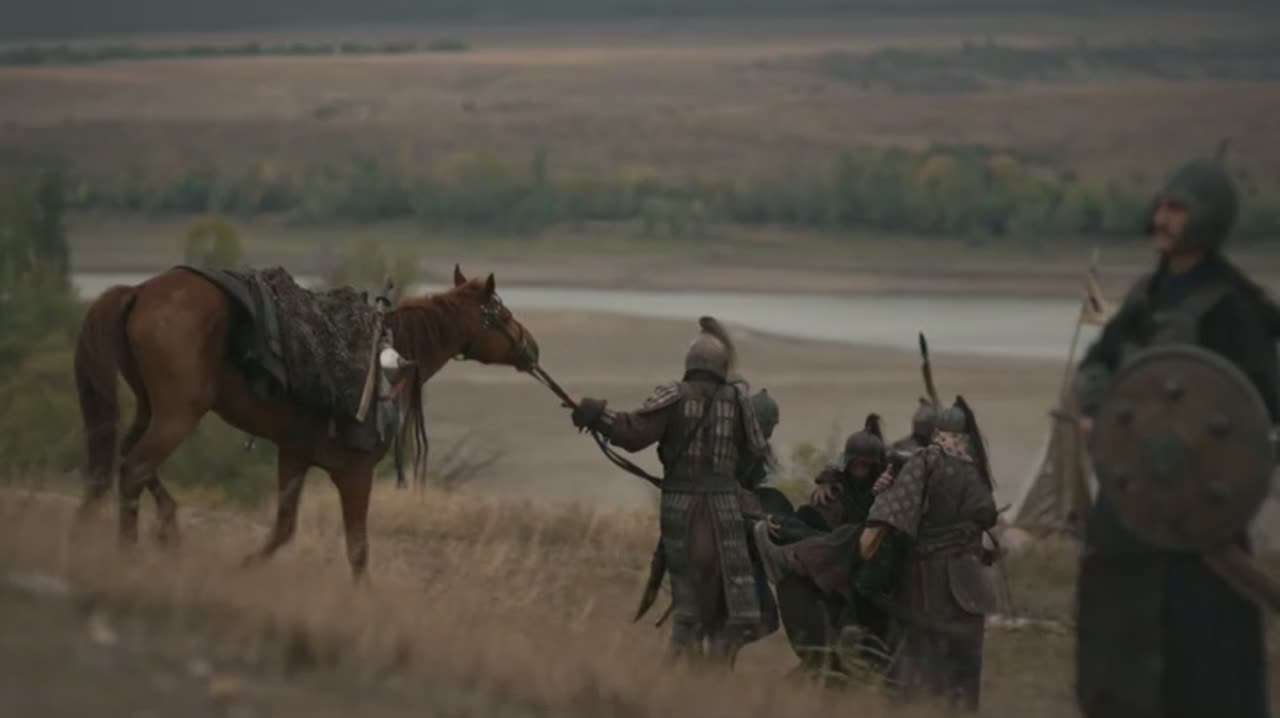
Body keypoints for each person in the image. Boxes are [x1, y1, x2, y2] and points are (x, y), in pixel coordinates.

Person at [1072, 158, 1278, 718]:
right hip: (1131, 509)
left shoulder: (1235, 306)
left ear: (1208, 220)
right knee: (1117, 653)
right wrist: (1097, 408)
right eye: (1162, 205)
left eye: (1177, 209)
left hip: (1197, 521)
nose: (1162, 218)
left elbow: (1258, 407)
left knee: (1203, 662)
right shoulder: (1146, 297)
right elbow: (1097, 366)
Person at [570, 316, 770, 662]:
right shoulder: (738, 401)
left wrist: (596, 416)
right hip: (725, 508)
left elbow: (632, 433)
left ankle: (680, 666)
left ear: (690, 363)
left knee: (687, 606)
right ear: (722, 365)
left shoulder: (675, 395)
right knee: (739, 602)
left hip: (681, 507)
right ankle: (717, 662)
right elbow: (756, 451)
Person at [854, 396, 999, 713]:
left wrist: (868, 545)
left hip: (928, 578)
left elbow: (893, 513)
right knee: (965, 665)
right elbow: (987, 515)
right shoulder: (974, 469)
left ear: (936, 431)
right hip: (970, 579)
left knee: (913, 655)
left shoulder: (925, 461)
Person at [753, 414, 896, 677]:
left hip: (865, 551)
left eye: (866, 465)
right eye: (856, 464)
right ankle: (781, 532)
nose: (860, 470)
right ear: (849, 463)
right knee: (807, 520)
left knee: (845, 537)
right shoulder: (838, 485)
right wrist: (826, 478)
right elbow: (836, 467)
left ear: (875, 466)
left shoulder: (886, 482)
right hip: (835, 546)